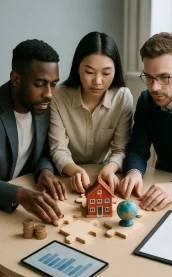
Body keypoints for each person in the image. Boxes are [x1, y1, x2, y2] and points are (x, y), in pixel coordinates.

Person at [0, 39, 67, 277]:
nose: (49, 93)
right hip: (9, 206)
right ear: (16, 79)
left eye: (53, 84)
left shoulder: (43, 107)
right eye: (40, 84)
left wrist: (45, 172)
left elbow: (41, 155)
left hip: (20, 218)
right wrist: (18, 194)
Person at [120, 32, 172, 211]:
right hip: (160, 191)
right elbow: (137, 148)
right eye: (148, 77)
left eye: (164, 77)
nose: (154, 87)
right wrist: (134, 172)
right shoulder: (147, 101)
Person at [49, 31, 134, 193]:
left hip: (104, 169)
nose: (97, 81)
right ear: (78, 68)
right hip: (65, 173)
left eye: (106, 73)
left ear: (115, 71)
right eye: (89, 72)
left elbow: (121, 148)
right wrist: (75, 170)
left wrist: (110, 169)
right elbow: (58, 148)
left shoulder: (122, 97)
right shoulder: (59, 96)